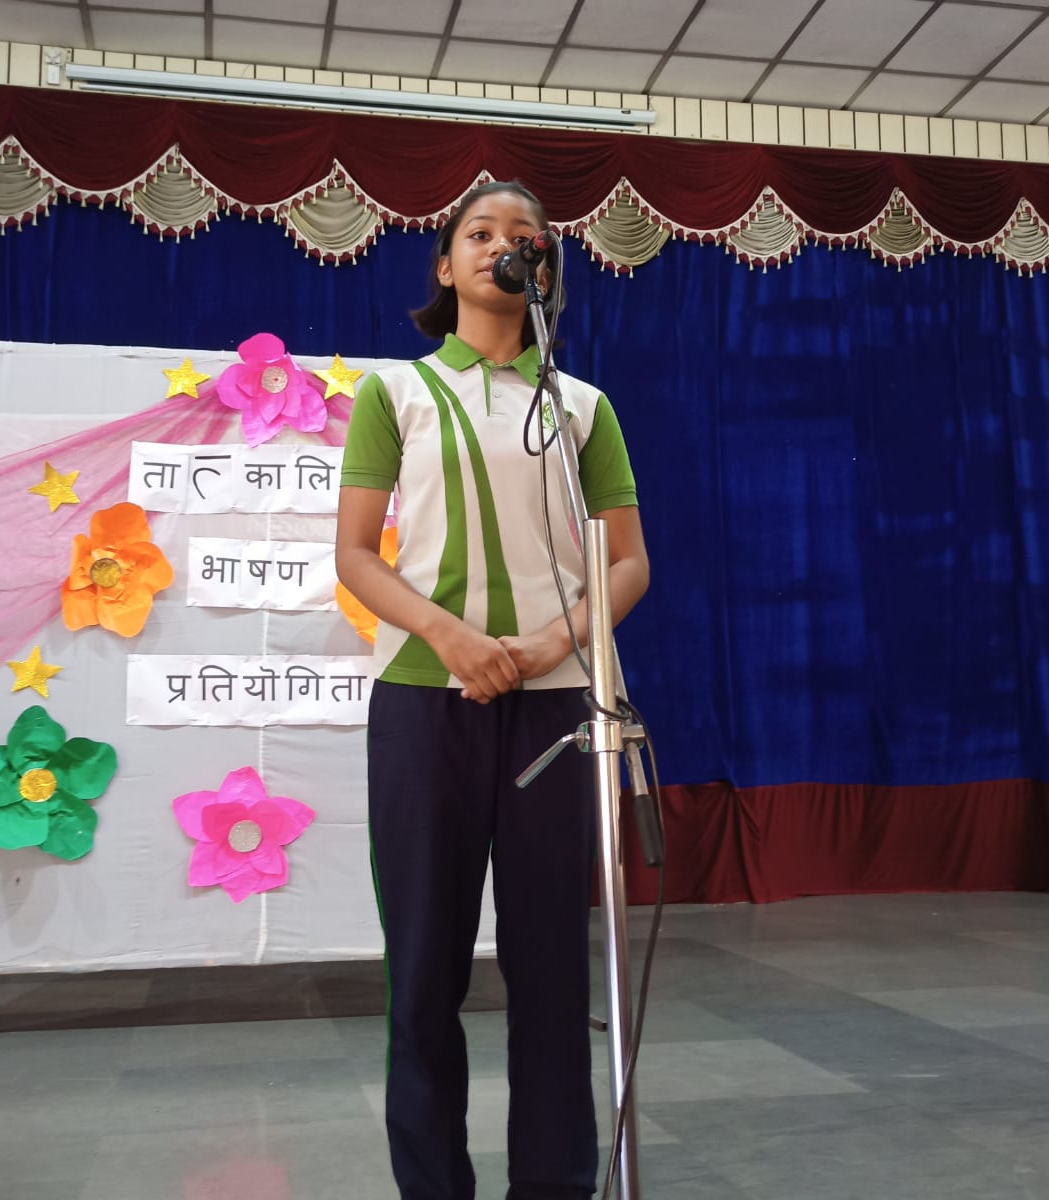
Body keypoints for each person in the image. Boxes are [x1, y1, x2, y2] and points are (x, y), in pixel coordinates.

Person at [335, 180, 650, 1200]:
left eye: (524, 236)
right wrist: (451, 637)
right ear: (445, 265)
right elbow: (355, 553)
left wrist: (552, 641)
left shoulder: (583, 406)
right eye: (478, 233)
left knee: (551, 968)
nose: (501, 245)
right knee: (424, 969)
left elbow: (628, 562)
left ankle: (554, 1185)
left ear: (542, 268)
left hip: (557, 707)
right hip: (424, 704)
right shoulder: (395, 394)